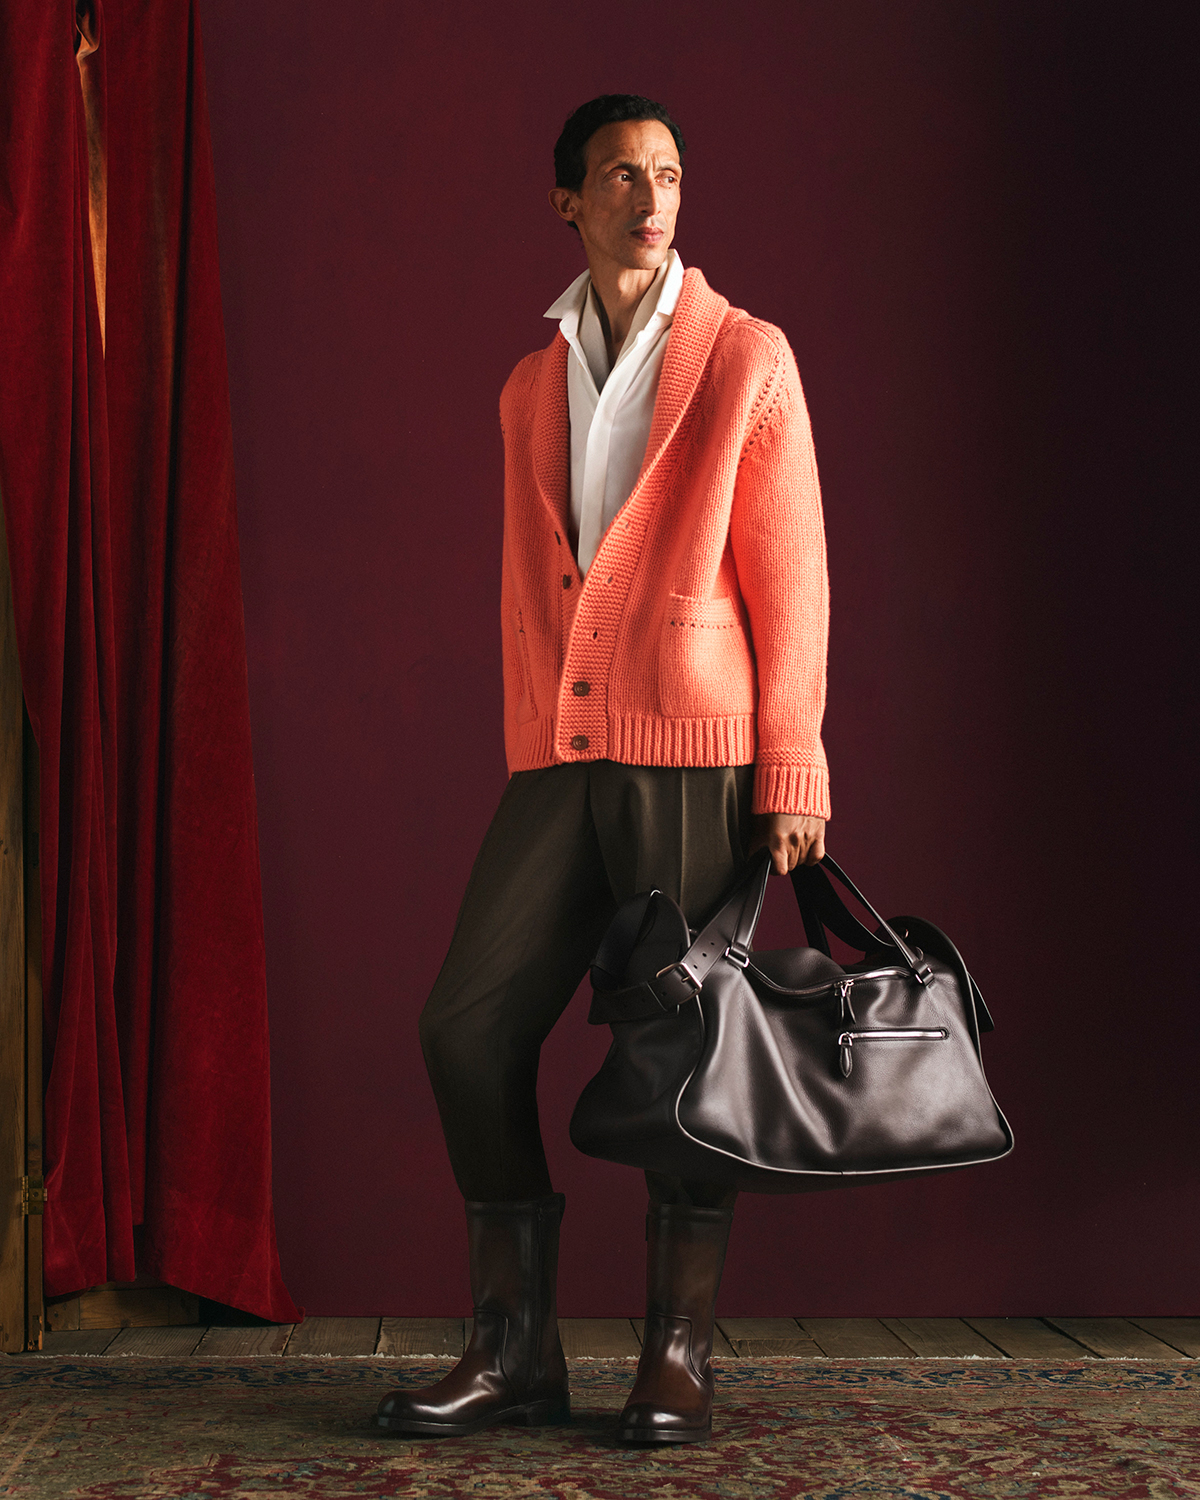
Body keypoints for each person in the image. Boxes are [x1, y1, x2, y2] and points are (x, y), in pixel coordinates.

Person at [376, 93, 831, 1445]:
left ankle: (676, 1352)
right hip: (565, 757)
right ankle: (514, 1349)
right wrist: (536, 727)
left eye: (670, 173)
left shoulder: (745, 356)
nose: (651, 195)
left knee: (680, 1045)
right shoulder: (533, 384)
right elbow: (538, 589)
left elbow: (792, 574)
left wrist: (793, 763)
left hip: (699, 749)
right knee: (467, 1026)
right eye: (622, 173)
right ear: (567, 200)